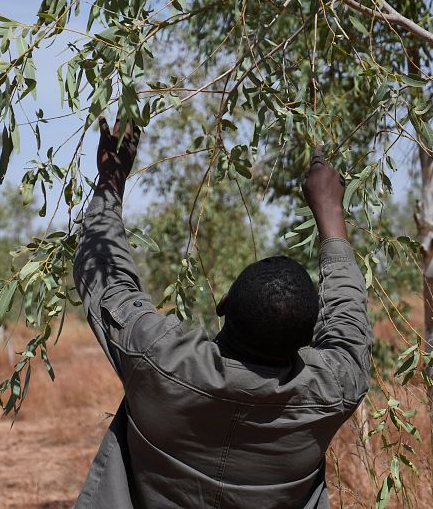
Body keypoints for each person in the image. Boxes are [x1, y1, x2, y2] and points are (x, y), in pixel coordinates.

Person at [72, 117, 372, 508]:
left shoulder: (160, 360)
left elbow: (105, 279)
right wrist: (331, 216)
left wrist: (111, 179)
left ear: (224, 304)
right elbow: (348, 321)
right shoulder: (331, 390)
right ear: (310, 335)